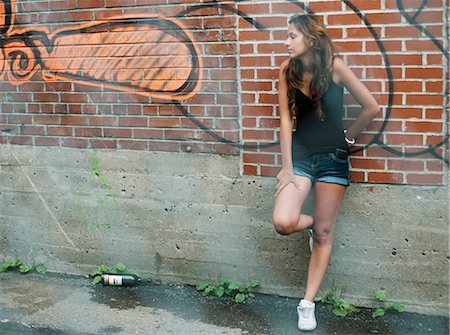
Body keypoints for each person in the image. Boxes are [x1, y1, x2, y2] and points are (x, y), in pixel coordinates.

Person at [272, 13, 379, 331]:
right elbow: (286, 120)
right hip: (301, 159)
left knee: (323, 234)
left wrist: (349, 138)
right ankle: (314, 227)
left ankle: (307, 304)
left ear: (311, 38)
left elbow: (372, 107)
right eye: (286, 36)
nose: (286, 41)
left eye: (292, 36)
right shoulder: (287, 70)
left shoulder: (336, 67)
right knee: (283, 221)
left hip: (333, 159)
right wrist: (287, 167)